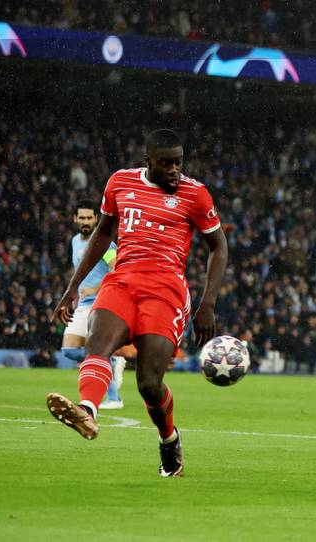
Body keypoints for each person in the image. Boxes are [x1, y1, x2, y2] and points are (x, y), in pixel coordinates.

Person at [49, 129, 228, 477]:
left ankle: (168, 440)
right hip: (122, 281)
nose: (175, 169)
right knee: (97, 347)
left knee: (148, 383)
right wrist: (72, 287)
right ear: (148, 162)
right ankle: (87, 410)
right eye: (166, 164)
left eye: (179, 162)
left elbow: (218, 246)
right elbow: (103, 232)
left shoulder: (196, 194)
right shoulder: (120, 182)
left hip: (166, 289)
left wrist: (208, 304)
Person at [61, 199, 125, 410]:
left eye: (90, 217)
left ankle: (114, 399)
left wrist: (96, 288)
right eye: (82, 218)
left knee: (93, 350)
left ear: (96, 218)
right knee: (69, 350)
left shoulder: (102, 243)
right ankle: (112, 362)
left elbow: (117, 268)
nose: (86, 221)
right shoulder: (74, 242)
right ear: (75, 219)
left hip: (102, 301)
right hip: (83, 304)